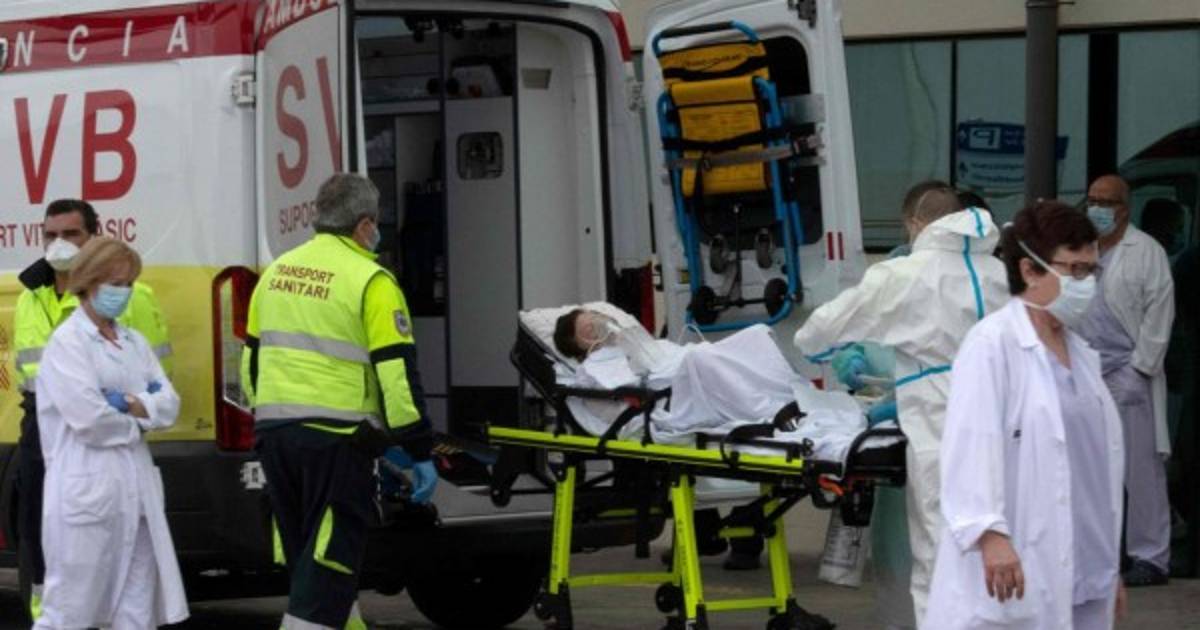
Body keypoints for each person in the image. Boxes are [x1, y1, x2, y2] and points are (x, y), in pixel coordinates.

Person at [792, 181, 1008, 624]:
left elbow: (820, 331)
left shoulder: (904, 273)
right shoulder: (999, 274)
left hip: (938, 426)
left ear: (914, 223)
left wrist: (824, 350)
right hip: (1004, 426)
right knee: (999, 547)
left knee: (937, 553)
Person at [242, 173, 437, 630]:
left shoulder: (276, 273)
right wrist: (418, 448)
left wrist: (270, 416)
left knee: (311, 564)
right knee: (329, 567)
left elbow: (251, 363)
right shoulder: (371, 280)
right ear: (364, 224)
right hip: (337, 441)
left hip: (276, 436)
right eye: (376, 224)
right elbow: (397, 375)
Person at [926, 201, 1126, 629]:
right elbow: (970, 447)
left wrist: (1109, 568)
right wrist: (989, 533)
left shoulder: (1081, 354)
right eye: (1074, 270)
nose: (1085, 283)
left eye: (1091, 270)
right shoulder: (992, 345)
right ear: (1030, 270)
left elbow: (1094, 470)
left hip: (1085, 564)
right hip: (1013, 558)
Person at [11, 199, 170, 621]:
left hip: (111, 436)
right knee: (40, 533)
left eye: (71, 234)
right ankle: (44, 611)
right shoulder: (31, 296)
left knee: (120, 555)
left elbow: (159, 384)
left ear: (94, 236)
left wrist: (135, 410)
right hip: (45, 428)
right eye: (50, 235)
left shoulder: (133, 297)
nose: (59, 244)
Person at [34, 237, 187, 629]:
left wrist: (128, 402)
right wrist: (144, 411)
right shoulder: (68, 343)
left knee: (136, 609)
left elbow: (170, 404)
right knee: (70, 610)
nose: (124, 292)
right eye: (116, 284)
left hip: (136, 493)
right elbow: (91, 420)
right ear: (89, 281)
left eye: (129, 284)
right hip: (87, 489)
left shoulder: (134, 342)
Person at [1077, 175, 1176, 587]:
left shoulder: (1147, 251)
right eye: (1093, 200)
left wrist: (1141, 367)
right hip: (1085, 369)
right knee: (1090, 466)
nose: (1098, 208)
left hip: (1129, 370)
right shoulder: (1078, 246)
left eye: (1107, 202)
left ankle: (1150, 556)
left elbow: (1160, 312)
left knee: (1140, 468)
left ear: (1125, 208)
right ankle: (1098, 555)